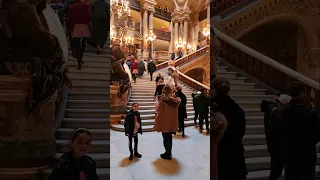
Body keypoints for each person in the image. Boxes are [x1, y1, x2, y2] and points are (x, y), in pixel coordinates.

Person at [278, 82, 320, 180]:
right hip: (307, 154)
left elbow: (278, 131)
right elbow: (317, 134)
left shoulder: (282, 112)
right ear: (301, 93)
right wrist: (308, 143)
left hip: (289, 154)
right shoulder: (310, 113)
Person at [211, 77, 247, 180]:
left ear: (214, 90)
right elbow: (241, 132)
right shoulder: (237, 108)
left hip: (219, 155)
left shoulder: (213, 108)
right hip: (235, 155)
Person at [260, 94, 292, 180]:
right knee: (276, 169)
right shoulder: (274, 111)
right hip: (277, 144)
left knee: (276, 169)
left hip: (274, 143)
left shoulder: (270, 109)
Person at [153, 85, 181, 160]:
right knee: (169, 137)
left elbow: (159, 110)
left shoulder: (163, 100)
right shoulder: (176, 100)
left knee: (165, 137)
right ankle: (169, 151)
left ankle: (167, 153)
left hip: (164, 121)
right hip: (172, 122)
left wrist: (157, 106)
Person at [67, 0, 92, 70]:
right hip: (84, 26)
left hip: (76, 26)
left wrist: (70, 29)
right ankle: (80, 58)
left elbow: (70, 19)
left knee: (77, 45)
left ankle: (79, 63)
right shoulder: (85, 6)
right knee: (83, 43)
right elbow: (90, 15)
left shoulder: (72, 7)